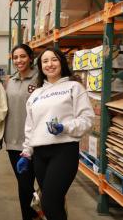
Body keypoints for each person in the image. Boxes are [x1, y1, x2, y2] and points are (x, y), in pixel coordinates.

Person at [17, 47, 94, 220]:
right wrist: (26, 153)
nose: (49, 64)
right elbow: (30, 127)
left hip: (64, 151)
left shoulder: (73, 87)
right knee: (53, 204)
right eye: (45, 61)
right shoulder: (35, 94)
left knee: (49, 203)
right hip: (40, 155)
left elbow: (87, 120)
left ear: (61, 62)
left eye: (54, 60)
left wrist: (64, 127)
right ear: (40, 66)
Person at [4, 44, 39, 220]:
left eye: (23, 56)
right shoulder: (10, 81)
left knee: (44, 186)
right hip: (14, 141)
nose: (19, 60)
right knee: (24, 185)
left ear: (30, 57)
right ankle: (30, 216)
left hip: (37, 142)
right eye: (15, 57)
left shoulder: (40, 79)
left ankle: (43, 213)